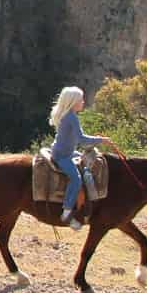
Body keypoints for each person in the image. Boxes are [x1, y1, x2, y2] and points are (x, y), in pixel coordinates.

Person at [48, 86, 112, 230]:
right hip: (62, 155)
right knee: (76, 179)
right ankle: (67, 211)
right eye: (81, 100)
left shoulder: (68, 115)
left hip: (65, 151)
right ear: (73, 102)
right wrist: (101, 140)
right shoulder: (71, 117)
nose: (83, 102)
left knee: (84, 162)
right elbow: (82, 140)